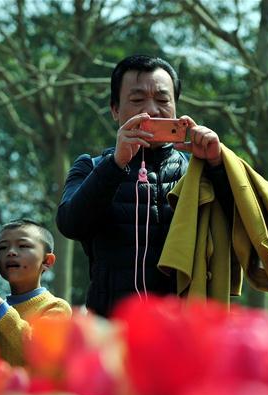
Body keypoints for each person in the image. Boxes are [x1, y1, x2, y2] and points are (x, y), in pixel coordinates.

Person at [57, 54, 233, 317]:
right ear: (115, 109)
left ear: (176, 107)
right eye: (138, 100)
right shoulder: (91, 167)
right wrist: (115, 164)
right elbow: (70, 224)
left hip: (180, 328)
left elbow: (239, 232)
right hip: (110, 327)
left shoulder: (198, 170)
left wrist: (218, 165)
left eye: (163, 100)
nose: (151, 110)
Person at [0, 219, 72, 366]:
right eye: (2, 248)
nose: (11, 252)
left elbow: (38, 351)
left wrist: (0, 306)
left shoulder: (57, 307)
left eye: (23, 245)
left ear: (47, 261)